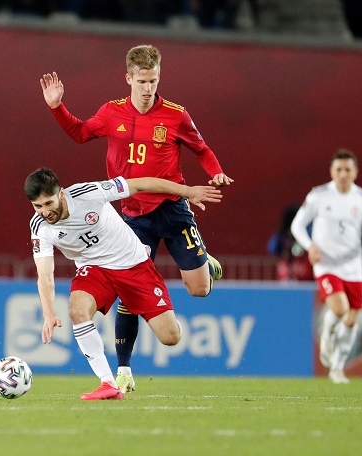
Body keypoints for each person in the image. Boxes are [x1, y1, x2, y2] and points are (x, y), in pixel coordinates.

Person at [39, 44, 233, 393]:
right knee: (129, 293)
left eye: (154, 81)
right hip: (132, 216)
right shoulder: (111, 112)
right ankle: (124, 370)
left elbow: (201, 149)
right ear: (128, 78)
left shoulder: (176, 114)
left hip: (173, 207)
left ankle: (205, 263)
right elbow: (81, 133)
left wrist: (215, 172)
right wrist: (57, 108)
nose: (148, 89)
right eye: (142, 81)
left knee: (200, 290)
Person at [25, 167, 222, 400]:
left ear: (61, 194)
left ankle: (204, 264)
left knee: (171, 338)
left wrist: (187, 191)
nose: (44, 212)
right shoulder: (40, 226)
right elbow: (45, 275)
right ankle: (108, 383)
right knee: (77, 310)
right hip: (95, 270)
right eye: (38, 206)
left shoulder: (89, 194)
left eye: (48, 203)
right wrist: (48, 314)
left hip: (134, 265)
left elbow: (141, 183)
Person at [291, 149, 362, 384]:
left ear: (355, 172)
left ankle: (337, 368)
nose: (343, 174)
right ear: (332, 171)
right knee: (341, 309)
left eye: (347, 169)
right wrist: (309, 246)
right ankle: (326, 336)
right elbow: (297, 226)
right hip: (326, 264)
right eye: (338, 169)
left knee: (352, 319)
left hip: (353, 267)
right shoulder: (319, 196)